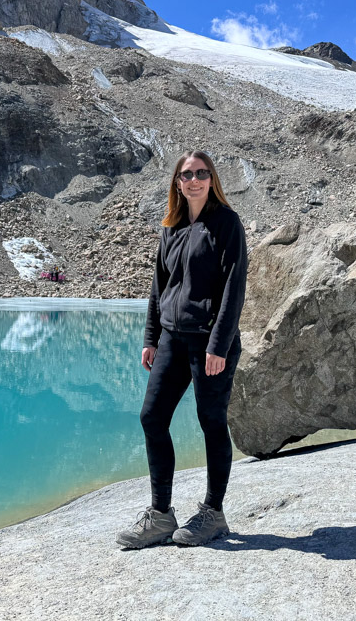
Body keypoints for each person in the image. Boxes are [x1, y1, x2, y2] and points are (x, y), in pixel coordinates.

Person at [117, 150, 247, 549]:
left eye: (202, 173)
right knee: (152, 417)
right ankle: (160, 515)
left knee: (211, 421)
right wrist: (150, 338)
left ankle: (213, 513)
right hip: (172, 338)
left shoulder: (226, 222)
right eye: (187, 174)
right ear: (177, 182)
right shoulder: (171, 226)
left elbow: (233, 289)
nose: (194, 180)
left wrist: (218, 345)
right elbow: (160, 287)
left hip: (210, 341)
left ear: (212, 179)